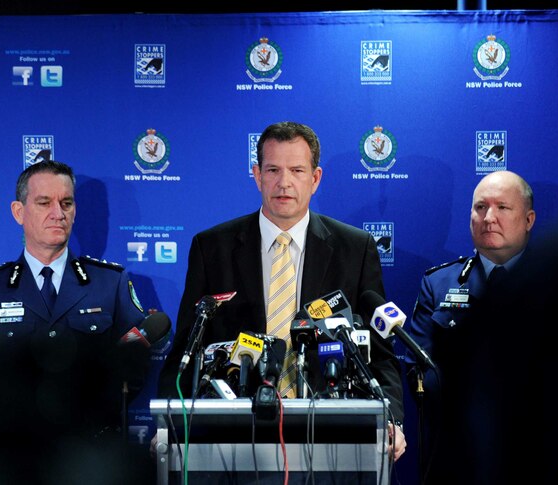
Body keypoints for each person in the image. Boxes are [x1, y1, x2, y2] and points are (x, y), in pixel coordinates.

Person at [157, 121, 407, 463]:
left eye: (296, 170)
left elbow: (379, 355)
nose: (284, 182)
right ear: (257, 175)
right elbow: (186, 350)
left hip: (330, 435)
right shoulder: (211, 248)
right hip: (235, 436)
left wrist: (391, 420)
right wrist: (168, 426)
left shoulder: (354, 248)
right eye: (273, 169)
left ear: (315, 179)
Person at [0, 160, 150, 443]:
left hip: (91, 447)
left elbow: (135, 361)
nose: (58, 214)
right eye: (44, 203)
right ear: (18, 212)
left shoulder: (110, 283)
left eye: (66, 203)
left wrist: (89, 409)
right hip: (14, 451)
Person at [404, 169, 535, 484]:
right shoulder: (438, 283)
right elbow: (420, 371)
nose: (489, 217)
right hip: (456, 455)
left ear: (528, 219)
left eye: (502, 207)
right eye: (480, 207)